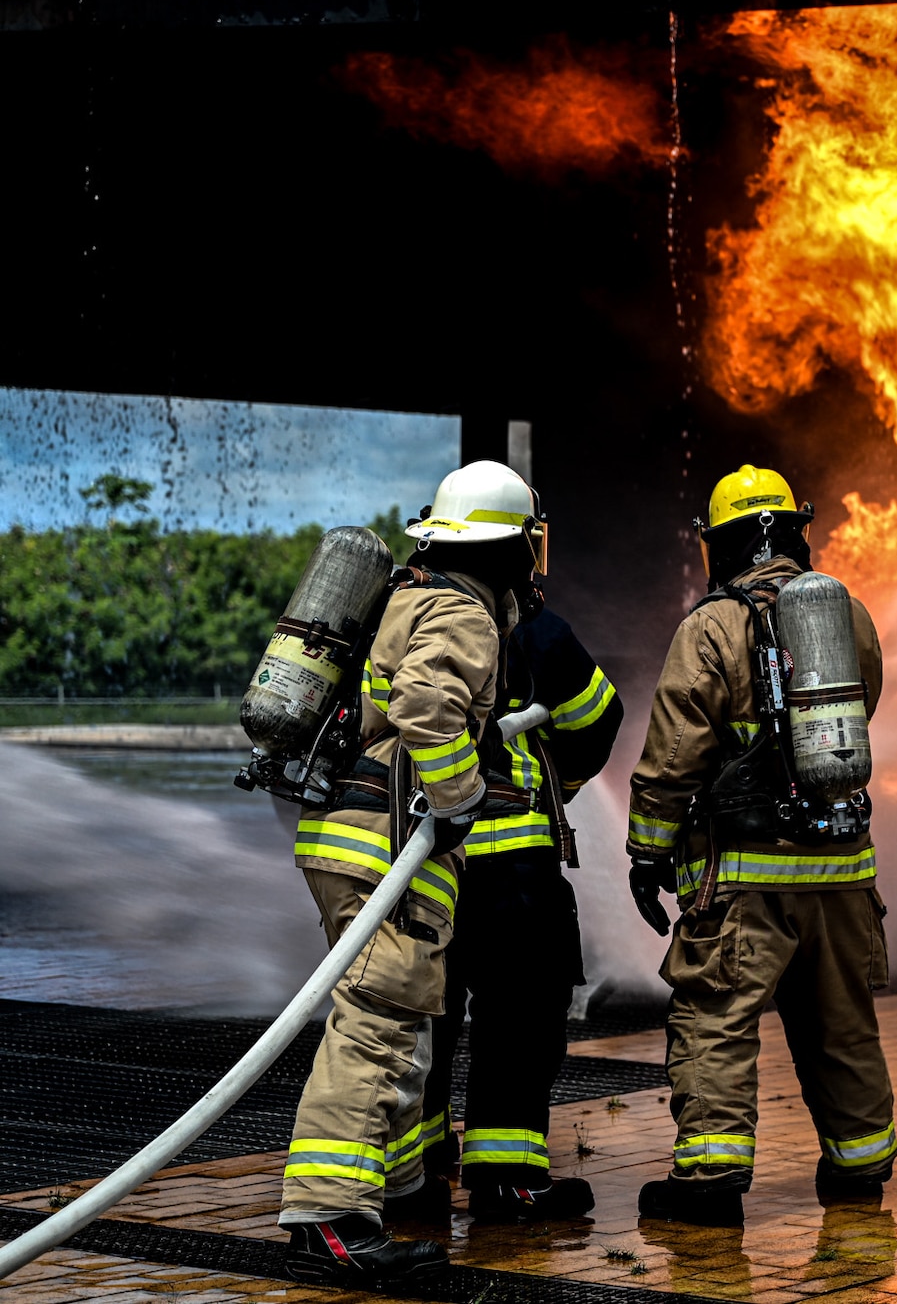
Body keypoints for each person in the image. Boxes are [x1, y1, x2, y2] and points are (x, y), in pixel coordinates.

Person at [280, 461, 542, 1287]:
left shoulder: (403, 595)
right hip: (387, 848)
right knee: (374, 1024)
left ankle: (389, 1191)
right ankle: (330, 1218)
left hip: (341, 839)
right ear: (508, 549)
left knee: (400, 1024)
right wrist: (462, 796)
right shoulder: (465, 613)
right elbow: (428, 703)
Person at [626, 464, 896, 1227]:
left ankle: (710, 1178)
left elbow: (674, 755)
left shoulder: (711, 628)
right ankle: (861, 1164)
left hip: (744, 880)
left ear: (721, 546)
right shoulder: (852, 616)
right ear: (795, 533)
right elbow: (860, 710)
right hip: (844, 872)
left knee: (716, 1013)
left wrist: (647, 855)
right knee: (841, 1018)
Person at [412, 599, 623, 1222]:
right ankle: (506, 1179)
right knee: (519, 1022)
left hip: (419, 868)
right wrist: (552, 781)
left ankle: (415, 1174)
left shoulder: (399, 615)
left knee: (421, 1019)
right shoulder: (538, 630)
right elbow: (596, 724)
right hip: (512, 871)